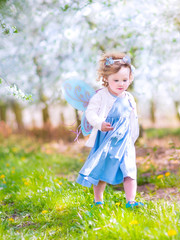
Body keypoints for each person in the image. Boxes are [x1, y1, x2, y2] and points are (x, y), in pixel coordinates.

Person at [76, 52, 143, 208]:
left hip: (125, 140)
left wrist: (133, 137)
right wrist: (100, 123)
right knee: (101, 170)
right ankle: (98, 201)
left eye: (125, 80)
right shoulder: (101, 96)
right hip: (107, 139)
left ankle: (130, 201)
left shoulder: (128, 97)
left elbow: (133, 118)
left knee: (130, 170)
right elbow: (90, 113)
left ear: (130, 78)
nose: (121, 84)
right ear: (106, 79)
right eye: (116, 80)